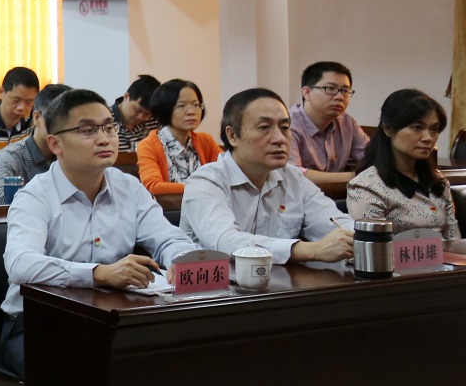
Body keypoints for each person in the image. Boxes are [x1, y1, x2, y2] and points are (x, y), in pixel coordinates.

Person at [0, 89, 198, 378]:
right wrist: (98, 274)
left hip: (112, 319)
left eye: (108, 128)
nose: (104, 139)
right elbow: (20, 264)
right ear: (55, 143)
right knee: (83, 372)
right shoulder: (35, 196)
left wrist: (182, 260)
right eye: (88, 130)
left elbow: (169, 238)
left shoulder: (128, 188)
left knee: (172, 360)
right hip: (37, 323)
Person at [179, 88, 355, 266]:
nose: (280, 139)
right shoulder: (205, 182)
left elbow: (335, 222)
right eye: (264, 128)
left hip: (278, 282)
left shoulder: (293, 178)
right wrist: (312, 250)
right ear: (232, 136)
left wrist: (357, 237)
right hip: (214, 282)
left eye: (285, 128)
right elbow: (226, 242)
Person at [346, 89, 458, 242]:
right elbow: (376, 249)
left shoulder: (438, 181)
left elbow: (454, 241)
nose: (428, 138)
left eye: (434, 129)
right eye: (417, 127)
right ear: (388, 129)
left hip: (445, 257)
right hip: (393, 257)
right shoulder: (367, 186)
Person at [289, 60, 370, 183]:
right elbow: (293, 175)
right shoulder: (287, 125)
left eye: (345, 91)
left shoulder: (347, 123)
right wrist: (355, 177)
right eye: (330, 88)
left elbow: (373, 159)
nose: (340, 97)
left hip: (338, 193)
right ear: (307, 93)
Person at [136, 78, 221, 195]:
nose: (191, 111)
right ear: (165, 109)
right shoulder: (148, 145)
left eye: (196, 104)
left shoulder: (206, 141)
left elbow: (227, 174)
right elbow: (153, 187)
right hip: (168, 207)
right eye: (181, 106)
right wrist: (203, 188)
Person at [0, 83, 71, 204]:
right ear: (37, 118)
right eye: (57, 120)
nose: (64, 128)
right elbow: (1, 203)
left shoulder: (72, 154)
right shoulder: (11, 156)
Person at [112, 74, 161, 152]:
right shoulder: (104, 120)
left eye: (147, 114)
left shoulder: (156, 122)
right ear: (126, 97)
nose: (141, 117)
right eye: (137, 110)